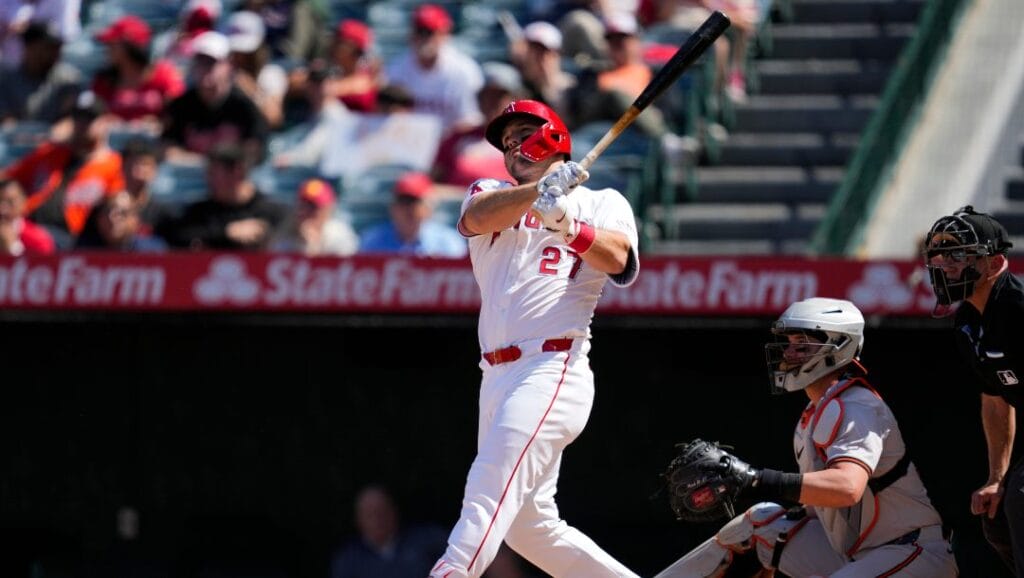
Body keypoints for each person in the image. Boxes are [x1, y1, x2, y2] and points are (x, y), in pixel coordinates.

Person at [429, 100, 640, 578]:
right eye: (506, 144)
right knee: (528, 528)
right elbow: (476, 218)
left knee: (487, 486)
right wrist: (538, 195)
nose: (513, 149)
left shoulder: (602, 201)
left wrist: (568, 222)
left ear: (553, 137)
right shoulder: (492, 191)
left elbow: (620, 260)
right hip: (496, 376)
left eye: (522, 135)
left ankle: (451, 570)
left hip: (552, 366)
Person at [654, 297, 958, 578]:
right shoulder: (812, 416)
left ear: (838, 346)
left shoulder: (856, 404)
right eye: (788, 343)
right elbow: (823, 511)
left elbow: (847, 488)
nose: (787, 353)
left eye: (802, 343)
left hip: (911, 552)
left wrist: (755, 479)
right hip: (857, 554)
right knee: (758, 525)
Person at [924, 206, 1023, 574]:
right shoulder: (968, 321)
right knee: (997, 516)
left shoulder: (1018, 309)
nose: (944, 263)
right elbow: (997, 401)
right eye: (939, 253)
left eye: (958, 254)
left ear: (995, 263)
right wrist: (996, 478)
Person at [4, 89, 124, 247]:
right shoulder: (51, 152)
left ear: (104, 122)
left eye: (89, 118)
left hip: (74, 238)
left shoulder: (112, 164)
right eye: (78, 118)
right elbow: (8, 177)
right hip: (29, 225)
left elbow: (116, 205)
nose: (82, 124)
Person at [161, 30, 269, 165]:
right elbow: (168, 150)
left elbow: (254, 150)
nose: (204, 68)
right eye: (200, 61)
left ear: (229, 66)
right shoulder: (181, 105)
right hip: (190, 177)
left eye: (211, 62)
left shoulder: (244, 106)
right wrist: (211, 162)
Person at [384, 4, 483, 136]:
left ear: (444, 34)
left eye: (430, 32)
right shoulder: (396, 69)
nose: (424, 39)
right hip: (408, 142)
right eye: (420, 31)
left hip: (450, 144)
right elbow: (387, 115)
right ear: (412, 34)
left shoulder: (464, 71)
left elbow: (471, 120)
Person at [165, 143, 286, 250]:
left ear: (237, 171)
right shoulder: (200, 212)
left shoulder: (271, 211)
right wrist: (226, 232)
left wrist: (263, 232)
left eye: (213, 173)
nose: (207, 179)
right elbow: (178, 235)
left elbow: (284, 241)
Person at [432, 61, 523, 187]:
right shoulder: (456, 138)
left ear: (515, 100)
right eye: (487, 96)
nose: (492, 103)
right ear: (479, 100)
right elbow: (432, 182)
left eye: (499, 96)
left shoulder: (527, 141)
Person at [329, 484, 448, 578]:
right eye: (370, 514)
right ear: (358, 520)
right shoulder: (348, 561)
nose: (377, 519)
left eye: (381, 510)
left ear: (394, 511)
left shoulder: (428, 541)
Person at [91, 15, 185, 126]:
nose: (107, 49)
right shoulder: (104, 81)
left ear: (130, 47)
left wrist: (158, 123)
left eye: (112, 44)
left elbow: (178, 114)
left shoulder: (164, 74)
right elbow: (95, 118)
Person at [358, 171, 466, 258]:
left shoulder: (448, 242)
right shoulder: (373, 241)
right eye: (403, 201)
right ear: (393, 207)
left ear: (429, 208)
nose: (408, 209)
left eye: (415, 202)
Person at [0, 21, 81, 126]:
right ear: (30, 48)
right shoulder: (7, 80)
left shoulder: (68, 79)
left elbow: (67, 121)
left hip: (54, 139)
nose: (56, 53)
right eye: (49, 48)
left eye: (57, 48)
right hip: (14, 139)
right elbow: (6, 120)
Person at [225, 10, 287, 129]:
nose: (239, 57)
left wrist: (250, 90)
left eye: (246, 53)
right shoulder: (219, 74)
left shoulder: (271, 75)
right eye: (235, 52)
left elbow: (274, 118)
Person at [270, 178, 357, 256]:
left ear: (327, 210)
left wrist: (314, 246)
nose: (305, 211)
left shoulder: (340, 234)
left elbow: (346, 266)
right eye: (303, 205)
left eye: (313, 207)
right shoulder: (286, 232)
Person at [75, 190, 167, 251]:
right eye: (107, 211)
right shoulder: (83, 252)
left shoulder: (153, 251)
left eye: (122, 213)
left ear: (135, 220)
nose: (113, 218)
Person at [119, 137, 174, 238]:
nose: (140, 170)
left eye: (145, 164)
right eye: (134, 164)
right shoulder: (109, 209)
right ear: (123, 166)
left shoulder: (163, 214)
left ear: (155, 170)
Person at [325, 18, 379, 113]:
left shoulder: (368, 78)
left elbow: (361, 85)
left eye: (339, 42)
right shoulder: (331, 74)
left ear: (355, 49)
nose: (332, 46)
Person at [0, 177, 54, 256]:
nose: (3, 209)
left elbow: (45, 264)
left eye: (10, 202)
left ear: (23, 201)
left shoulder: (38, 239)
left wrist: (12, 246)